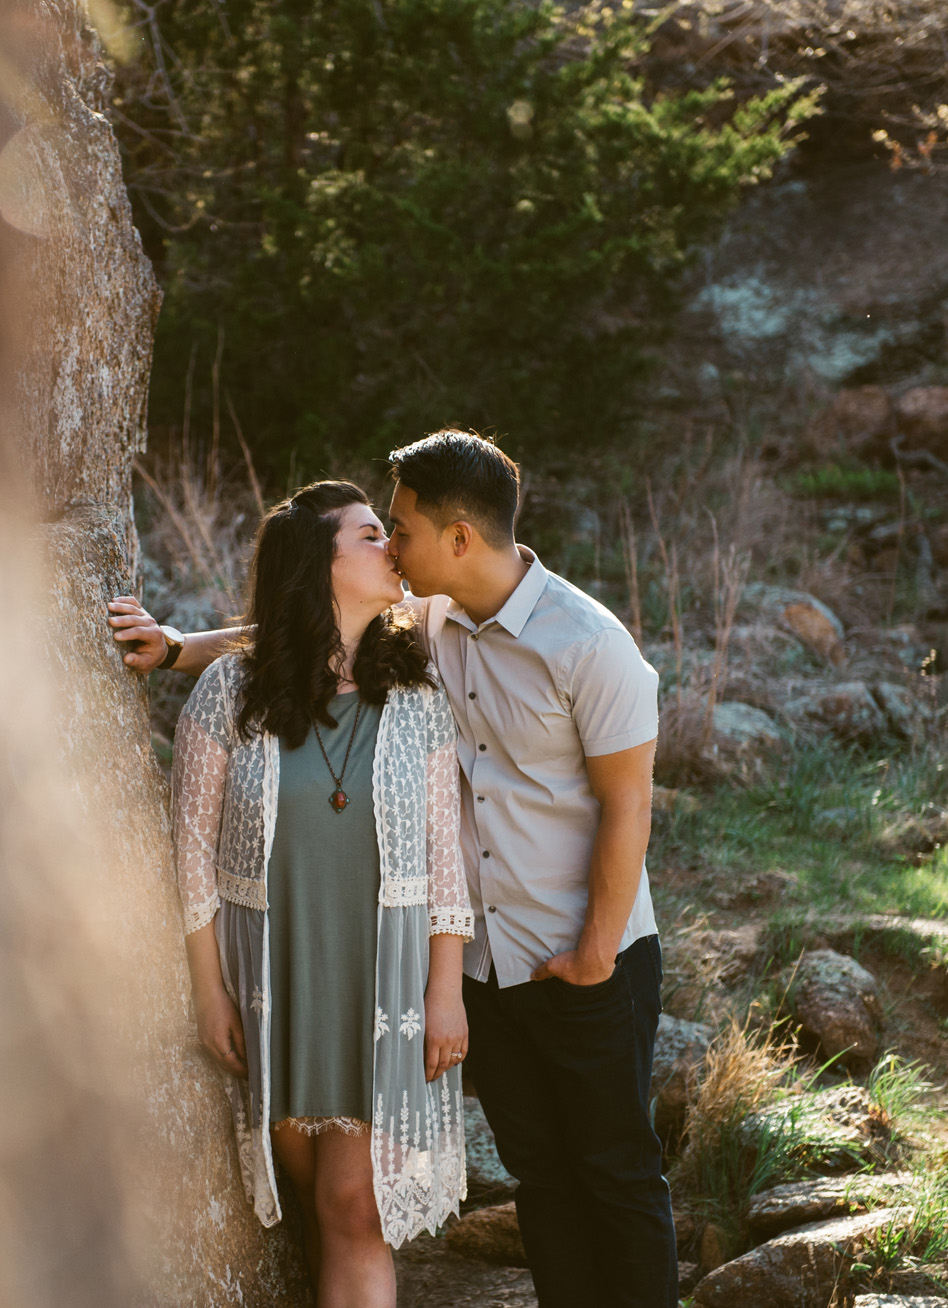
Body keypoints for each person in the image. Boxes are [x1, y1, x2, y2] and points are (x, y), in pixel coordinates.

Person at [112, 433, 674, 1308]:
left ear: (456, 539)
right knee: (545, 1180)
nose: (393, 547)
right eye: (377, 532)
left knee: (616, 1172)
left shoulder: (588, 646)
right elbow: (299, 626)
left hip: (583, 955)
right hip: (486, 963)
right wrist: (183, 647)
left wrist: (597, 952)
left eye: (399, 528)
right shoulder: (433, 620)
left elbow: (628, 808)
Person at [166, 479, 474, 1308]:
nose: (394, 548)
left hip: (386, 983)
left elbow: (447, 862)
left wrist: (446, 991)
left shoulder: (417, 700)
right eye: (373, 534)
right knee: (316, 1205)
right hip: (278, 980)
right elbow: (190, 856)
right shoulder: (228, 696)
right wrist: (207, 992)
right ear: (318, 561)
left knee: (351, 1205)